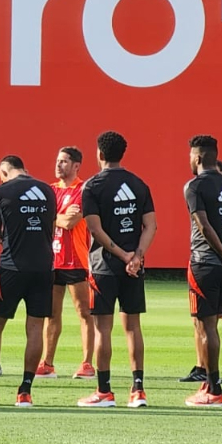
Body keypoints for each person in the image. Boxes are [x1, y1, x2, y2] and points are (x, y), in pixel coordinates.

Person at [0, 155, 55, 407]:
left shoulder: (2, 192)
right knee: (35, 327)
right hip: (43, 268)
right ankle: (25, 391)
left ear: (3, 173)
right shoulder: (47, 190)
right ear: (25, 169)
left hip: (11, 267)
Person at [75, 131, 156, 408]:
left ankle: (104, 391)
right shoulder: (138, 184)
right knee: (133, 327)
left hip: (104, 267)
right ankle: (138, 390)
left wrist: (122, 256)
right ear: (123, 153)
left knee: (103, 330)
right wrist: (137, 257)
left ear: (99, 153)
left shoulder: (92, 186)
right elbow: (151, 226)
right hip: (133, 267)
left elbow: (95, 229)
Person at [183, 135, 222, 407]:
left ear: (197, 158)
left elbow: (204, 225)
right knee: (210, 324)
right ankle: (210, 382)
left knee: (205, 325)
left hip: (204, 262)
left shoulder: (194, 186)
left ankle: (214, 389)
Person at [38, 147, 95, 381]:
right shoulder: (49, 190)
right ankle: (47, 363)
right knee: (51, 313)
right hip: (52, 259)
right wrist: (58, 216)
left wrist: (55, 217)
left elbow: (71, 221)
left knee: (84, 312)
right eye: (57, 160)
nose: (58, 165)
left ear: (76, 166)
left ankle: (87, 364)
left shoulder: (83, 190)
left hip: (76, 259)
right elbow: (44, 219)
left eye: (64, 161)